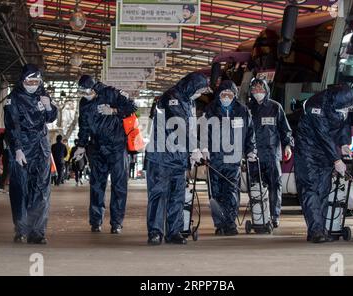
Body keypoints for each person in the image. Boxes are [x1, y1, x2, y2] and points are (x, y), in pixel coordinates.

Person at [145, 72, 210, 245]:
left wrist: (193, 151)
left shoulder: (189, 101)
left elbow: (189, 129)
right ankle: (155, 232)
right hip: (161, 157)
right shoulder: (171, 98)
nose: (200, 93)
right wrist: (193, 147)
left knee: (177, 196)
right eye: (200, 89)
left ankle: (174, 232)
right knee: (159, 195)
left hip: (178, 158)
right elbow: (177, 125)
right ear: (191, 85)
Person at [73, 75, 137, 234]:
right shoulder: (84, 103)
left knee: (119, 186)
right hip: (96, 148)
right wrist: (81, 146)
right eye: (82, 92)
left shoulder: (111, 93)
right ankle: (96, 221)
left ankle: (116, 223)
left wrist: (114, 110)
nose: (85, 95)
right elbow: (84, 125)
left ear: (94, 88)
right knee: (96, 185)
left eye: (87, 91)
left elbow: (132, 106)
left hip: (116, 146)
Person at [294, 84, 353, 243]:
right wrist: (336, 160)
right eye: (344, 109)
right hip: (308, 151)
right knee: (311, 189)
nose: (346, 112)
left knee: (323, 189)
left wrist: (343, 144)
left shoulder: (342, 106)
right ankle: (316, 231)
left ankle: (319, 229)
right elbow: (323, 136)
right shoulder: (316, 107)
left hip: (325, 153)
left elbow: (345, 125)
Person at [4, 63, 58, 244]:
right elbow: (12, 126)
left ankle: (37, 232)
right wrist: (17, 149)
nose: (33, 84)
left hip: (41, 147)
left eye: (37, 80)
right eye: (30, 80)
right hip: (22, 149)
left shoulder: (42, 94)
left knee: (42, 190)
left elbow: (51, 118)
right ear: (23, 80)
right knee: (20, 189)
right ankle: (21, 230)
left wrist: (49, 107)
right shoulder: (14, 98)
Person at [203, 80, 256, 236]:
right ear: (219, 95)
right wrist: (204, 147)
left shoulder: (243, 111)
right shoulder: (210, 110)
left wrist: (251, 150)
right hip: (215, 159)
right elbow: (203, 130)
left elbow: (250, 132)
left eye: (230, 94)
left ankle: (230, 223)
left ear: (235, 95)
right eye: (223, 94)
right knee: (216, 193)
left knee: (232, 192)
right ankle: (220, 224)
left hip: (233, 159)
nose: (226, 96)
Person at [247, 78, 294, 228]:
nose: (258, 92)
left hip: (272, 154)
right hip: (253, 156)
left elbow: (285, 130)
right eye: (254, 89)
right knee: (255, 186)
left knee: (275, 185)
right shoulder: (247, 109)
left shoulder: (275, 107)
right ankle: (259, 216)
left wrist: (287, 146)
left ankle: (274, 216)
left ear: (266, 90)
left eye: (261, 89)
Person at [0, 128, 9, 193]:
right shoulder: (1, 136)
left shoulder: (15, 134)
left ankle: (11, 188)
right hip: (5, 153)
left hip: (15, 154)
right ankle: (1, 187)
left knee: (13, 171)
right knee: (6, 171)